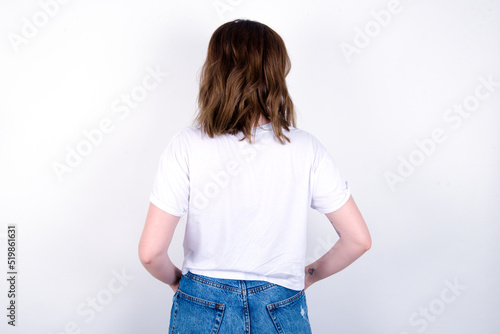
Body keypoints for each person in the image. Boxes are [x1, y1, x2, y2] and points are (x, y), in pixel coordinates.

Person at [138, 18, 371, 333]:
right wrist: (311, 274)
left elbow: (151, 253)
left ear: (214, 73)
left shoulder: (187, 145)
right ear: (277, 74)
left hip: (202, 300)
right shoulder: (306, 149)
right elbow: (358, 239)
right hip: (281, 302)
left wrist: (180, 282)